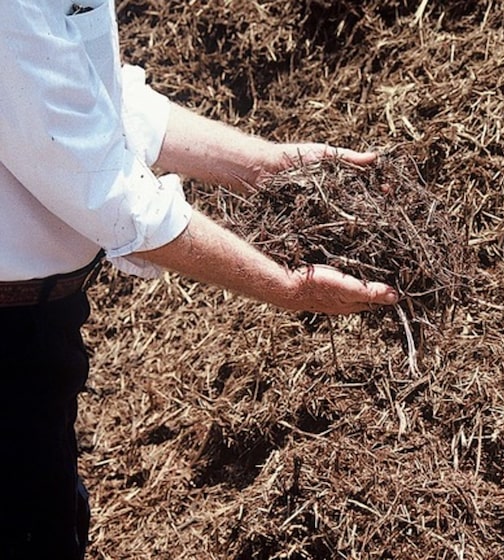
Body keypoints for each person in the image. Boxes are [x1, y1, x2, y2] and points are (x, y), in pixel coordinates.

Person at [0, 1, 399, 558]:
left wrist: (265, 165)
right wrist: (285, 285)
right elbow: (106, 190)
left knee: (51, 510)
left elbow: (97, 94)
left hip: (38, 321)